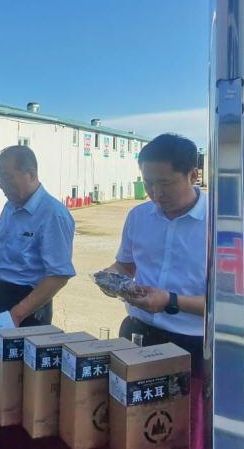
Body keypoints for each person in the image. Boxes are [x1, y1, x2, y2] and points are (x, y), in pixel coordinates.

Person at [102, 134, 206, 449]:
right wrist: (112, 277)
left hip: (191, 347)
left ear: (193, 175)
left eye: (165, 183)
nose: (156, 193)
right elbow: (126, 265)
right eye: (148, 183)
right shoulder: (138, 216)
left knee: (181, 432)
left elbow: (231, 303)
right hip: (137, 335)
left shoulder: (221, 224)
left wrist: (170, 301)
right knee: (129, 427)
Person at [0, 145, 76, 327]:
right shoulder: (10, 207)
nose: (1, 185)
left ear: (31, 174)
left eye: (6, 178)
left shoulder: (53, 214)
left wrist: (18, 313)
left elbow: (59, 275)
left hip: (27, 307)